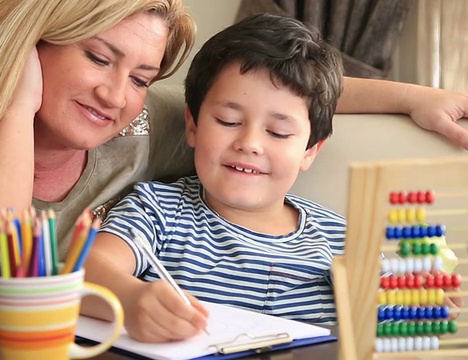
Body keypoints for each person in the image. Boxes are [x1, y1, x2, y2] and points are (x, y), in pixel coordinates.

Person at [0, 0, 468, 341]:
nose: (117, 95)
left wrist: (417, 97)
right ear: (32, 40)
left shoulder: (140, 122)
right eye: (98, 57)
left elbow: (268, 99)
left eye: (142, 77)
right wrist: (13, 103)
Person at [81, 13, 346, 343]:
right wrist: (131, 298)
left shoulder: (341, 239)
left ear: (310, 151)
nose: (248, 144)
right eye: (228, 121)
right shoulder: (157, 211)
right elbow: (89, 267)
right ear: (192, 126)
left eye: (277, 133)